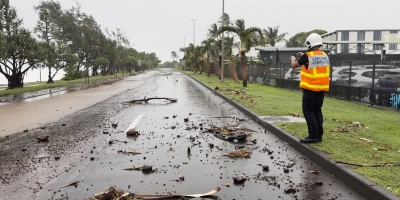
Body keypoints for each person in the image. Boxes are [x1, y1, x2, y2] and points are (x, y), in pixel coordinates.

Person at [290, 33, 330, 143]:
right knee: (317, 111)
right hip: (321, 89)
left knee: (308, 112)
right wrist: (303, 55)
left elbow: (294, 65)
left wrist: (293, 59)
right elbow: (314, 63)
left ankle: (313, 136)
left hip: (310, 88)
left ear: (309, 44)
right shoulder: (324, 55)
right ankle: (319, 135)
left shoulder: (307, 56)